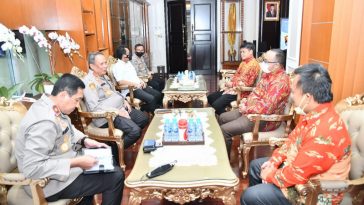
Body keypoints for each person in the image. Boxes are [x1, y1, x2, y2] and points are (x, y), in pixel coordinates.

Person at [241, 64, 352, 205]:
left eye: (293, 92)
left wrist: (270, 174)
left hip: (317, 193)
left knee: (249, 196)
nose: (291, 96)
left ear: (307, 97)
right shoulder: (315, 113)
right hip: (299, 172)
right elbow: (291, 141)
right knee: (256, 166)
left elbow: (296, 175)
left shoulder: (324, 132)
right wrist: (274, 161)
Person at [15, 74, 124, 205]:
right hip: (48, 184)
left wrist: (85, 140)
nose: (78, 105)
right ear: (63, 95)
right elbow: (32, 168)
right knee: (115, 177)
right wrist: (76, 162)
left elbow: (68, 128)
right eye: (76, 100)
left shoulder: (50, 104)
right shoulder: (44, 122)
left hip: (62, 167)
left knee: (108, 162)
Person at [219, 49, 290, 155]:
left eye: (266, 61)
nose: (263, 63)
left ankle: (225, 161)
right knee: (222, 117)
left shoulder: (280, 82)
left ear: (276, 65)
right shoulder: (268, 75)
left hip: (263, 120)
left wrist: (246, 108)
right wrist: (245, 102)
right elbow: (255, 93)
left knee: (224, 130)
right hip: (251, 110)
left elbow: (267, 108)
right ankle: (224, 149)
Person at [83, 52, 149, 149]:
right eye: (102, 64)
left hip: (120, 108)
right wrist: (117, 112)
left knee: (143, 119)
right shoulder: (88, 83)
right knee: (135, 131)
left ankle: (119, 142)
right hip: (106, 117)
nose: (106, 66)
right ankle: (113, 151)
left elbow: (114, 92)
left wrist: (124, 100)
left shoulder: (104, 77)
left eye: (106, 63)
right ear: (92, 66)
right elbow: (95, 108)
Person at [208, 42, 260, 115]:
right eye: (241, 52)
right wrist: (228, 83)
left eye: (243, 52)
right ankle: (225, 115)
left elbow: (249, 83)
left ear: (251, 51)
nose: (241, 54)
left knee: (216, 105)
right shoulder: (243, 62)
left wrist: (232, 84)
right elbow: (236, 75)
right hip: (232, 88)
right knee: (210, 98)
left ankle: (225, 118)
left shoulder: (254, 65)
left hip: (241, 92)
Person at [113, 46, 162, 113]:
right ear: (123, 55)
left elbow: (135, 76)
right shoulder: (117, 66)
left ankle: (152, 108)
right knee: (152, 99)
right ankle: (153, 113)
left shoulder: (128, 63)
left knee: (158, 94)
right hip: (131, 90)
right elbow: (120, 82)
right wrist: (135, 84)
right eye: (128, 54)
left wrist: (141, 81)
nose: (129, 55)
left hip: (139, 85)